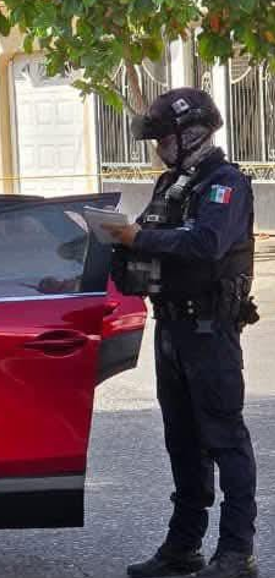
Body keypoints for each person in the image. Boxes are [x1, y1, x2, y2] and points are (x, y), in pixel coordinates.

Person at [105, 88, 259, 578]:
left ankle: (237, 552)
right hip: (170, 325)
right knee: (182, 441)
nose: (158, 148)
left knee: (224, 439)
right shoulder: (171, 184)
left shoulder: (226, 183)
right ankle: (183, 547)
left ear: (190, 134)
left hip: (210, 329)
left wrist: (138, 237)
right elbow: (152, 243)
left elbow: (207, 243)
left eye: (163, 138)